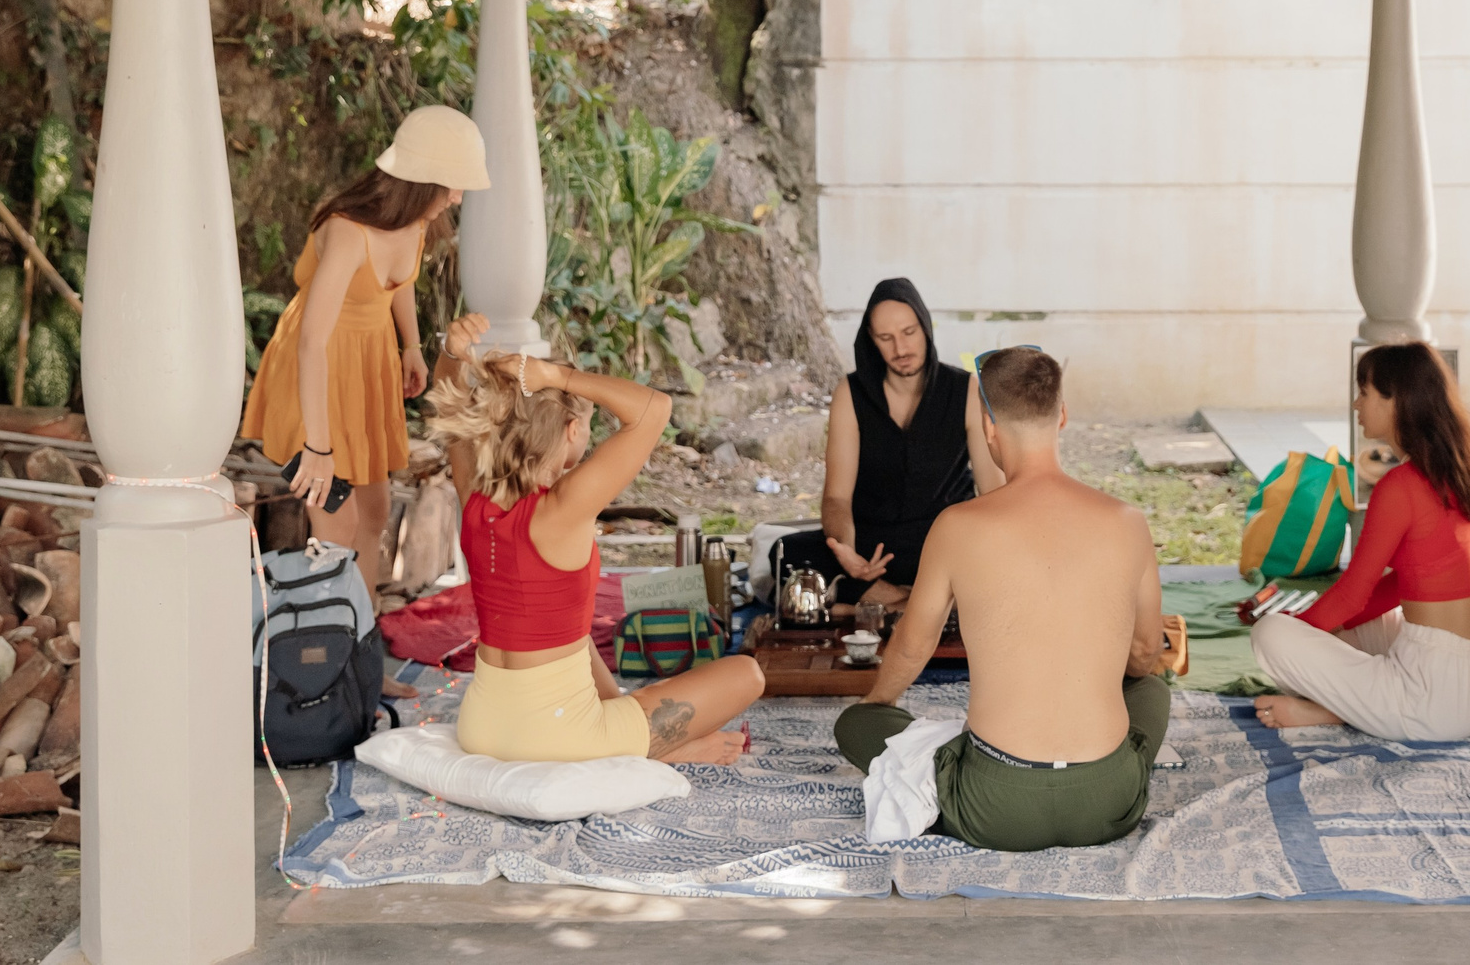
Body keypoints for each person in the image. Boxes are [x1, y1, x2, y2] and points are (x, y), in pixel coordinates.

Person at [834, 346, 1171, 852]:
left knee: (857, 723)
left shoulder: (958, 526)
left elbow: (911, 648)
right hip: (1107, 803)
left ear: (988, 427)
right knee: (1152, 691)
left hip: (995, 806)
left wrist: (877, 706)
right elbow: (1146, 653)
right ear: (1061, 416)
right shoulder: (1127, 522)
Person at [425, 312, 764, 765]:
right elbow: (652, 409)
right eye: (585, 422)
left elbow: (447, 397)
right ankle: (665, 754)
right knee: (748, 673)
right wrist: (556, 375)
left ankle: (628, 734)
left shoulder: (477, 498)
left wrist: (452, 352)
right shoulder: (563, 507)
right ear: (572, 431)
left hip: (482, 727)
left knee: (615, 691)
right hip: (559, 737)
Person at [241, 105, 487, 596]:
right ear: (420, 179)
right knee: (336, 523)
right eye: (452, 184)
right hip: (316, 369)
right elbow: (312, 340)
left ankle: (362, 647)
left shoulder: (417, 222)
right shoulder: (348, 232)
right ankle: (330, 658)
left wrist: (411, 347)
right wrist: (317, 445)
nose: (458, 197)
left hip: (367, 365)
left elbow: (398, 284)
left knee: (373, 514)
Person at [1250, 342, 1470, 741]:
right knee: (1367, 624)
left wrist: (1300, 633)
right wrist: (1327, 632)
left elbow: (1352, 593)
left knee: (1270, 633)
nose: (1356, 403)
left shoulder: (1401, 486)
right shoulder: (1459, 472)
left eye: (1364, 392)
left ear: (1395, 401)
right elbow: (1399, 586)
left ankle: (1333, 709)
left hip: (1431, 706)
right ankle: (1350, 703)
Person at [794, 277, 1005, 609]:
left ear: (925, 328)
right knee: (791, 555)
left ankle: (880, 604)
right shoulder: (851, 394)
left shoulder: (965, 390)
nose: (901, 350)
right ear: (871, 341)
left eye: (909, 333)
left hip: (941, 543)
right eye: (886, 338)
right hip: (872, 551)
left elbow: (993, 492)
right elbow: (836, 497)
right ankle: (911, 602)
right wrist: (845, 550)